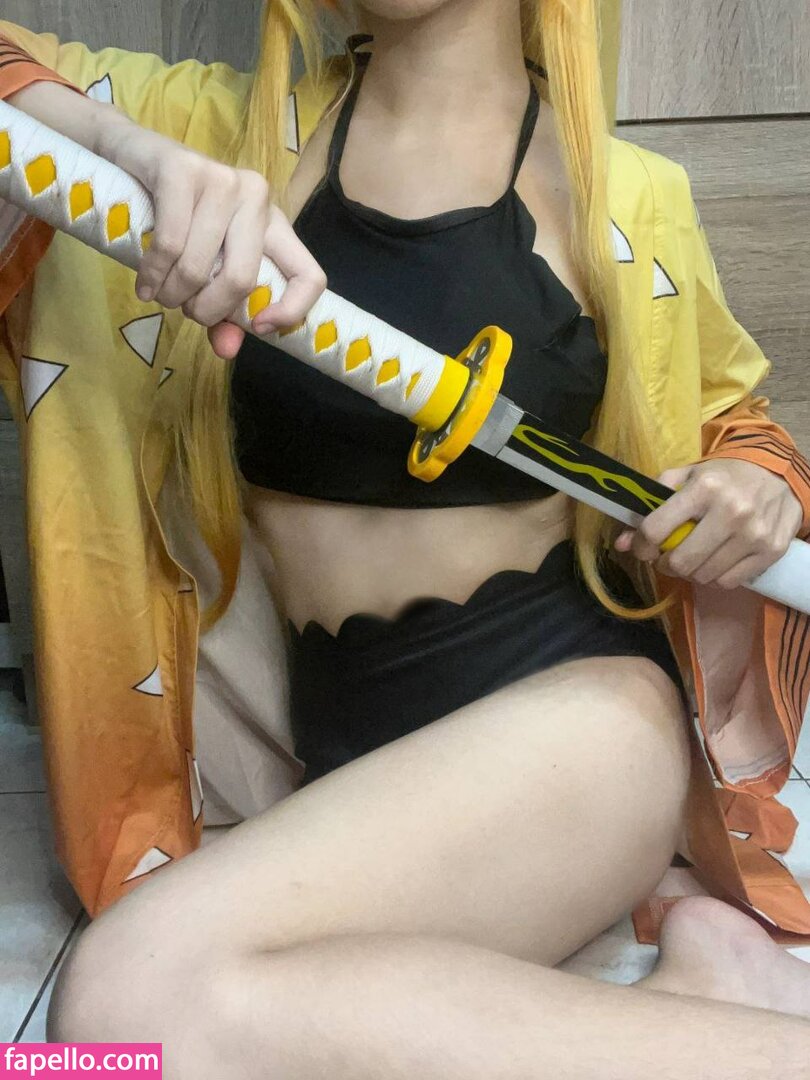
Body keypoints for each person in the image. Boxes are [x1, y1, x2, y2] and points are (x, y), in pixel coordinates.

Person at [1, 2, 810, 1075]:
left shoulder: (626, 194)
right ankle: (711, 988)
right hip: (350, 762)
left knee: (122, 1007)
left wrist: (757, 485)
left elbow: (728, 421)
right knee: (173, 1034)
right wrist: (118, 147)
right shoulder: (199, 139)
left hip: (590, 731)